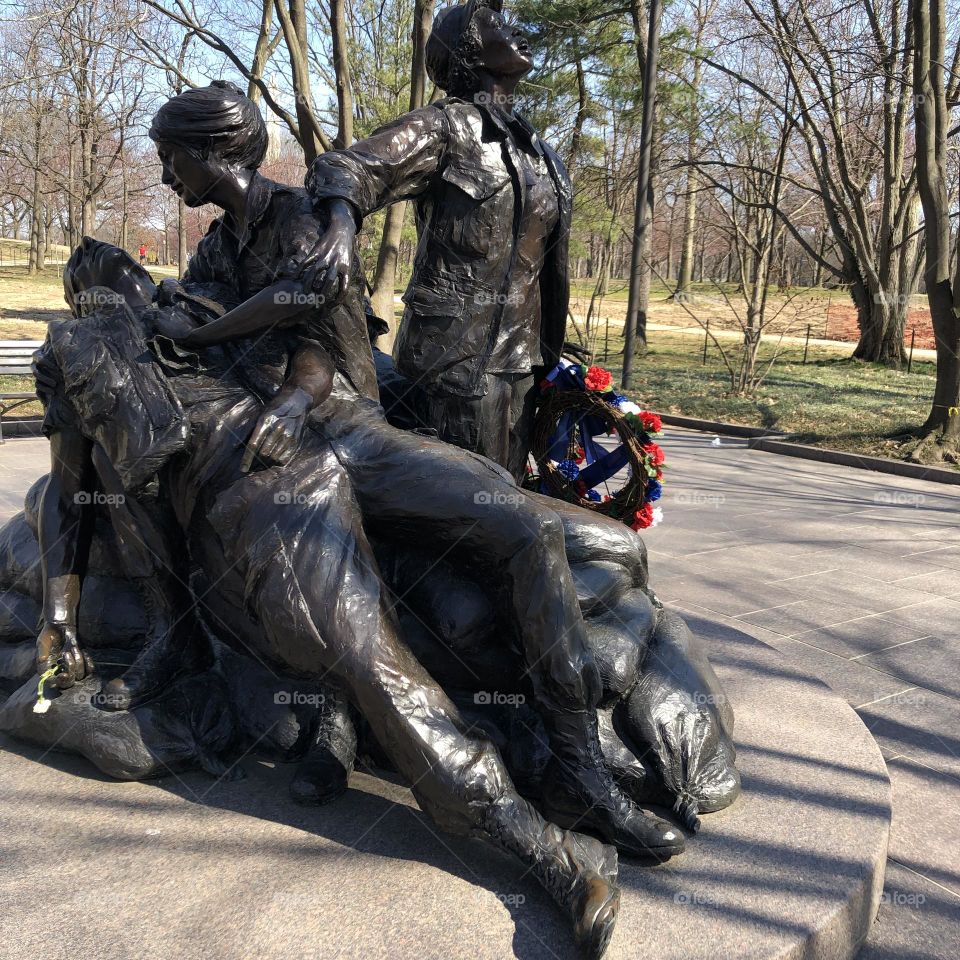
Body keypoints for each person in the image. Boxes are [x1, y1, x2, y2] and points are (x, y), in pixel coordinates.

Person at [153, 82, 683, 865]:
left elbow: (308, 311)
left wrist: (259, 374)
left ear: (211, 152)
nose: (167, 179)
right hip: (278, 460)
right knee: (331, 595)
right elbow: (213, 334)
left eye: (171, 160)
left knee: (526, 522)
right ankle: (334, 725)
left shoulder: (305, 219)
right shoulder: (213, 250)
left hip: (353, 436)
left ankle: (580, 771)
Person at [303, 0, 570, 480]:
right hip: (454, 366)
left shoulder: (542, 154)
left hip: (524, 363)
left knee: (513, 503)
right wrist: (342, 226)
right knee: (467, 511)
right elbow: (343, 167)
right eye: (498, 25)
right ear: (469, 50)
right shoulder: (444, 128)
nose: (517, 32)